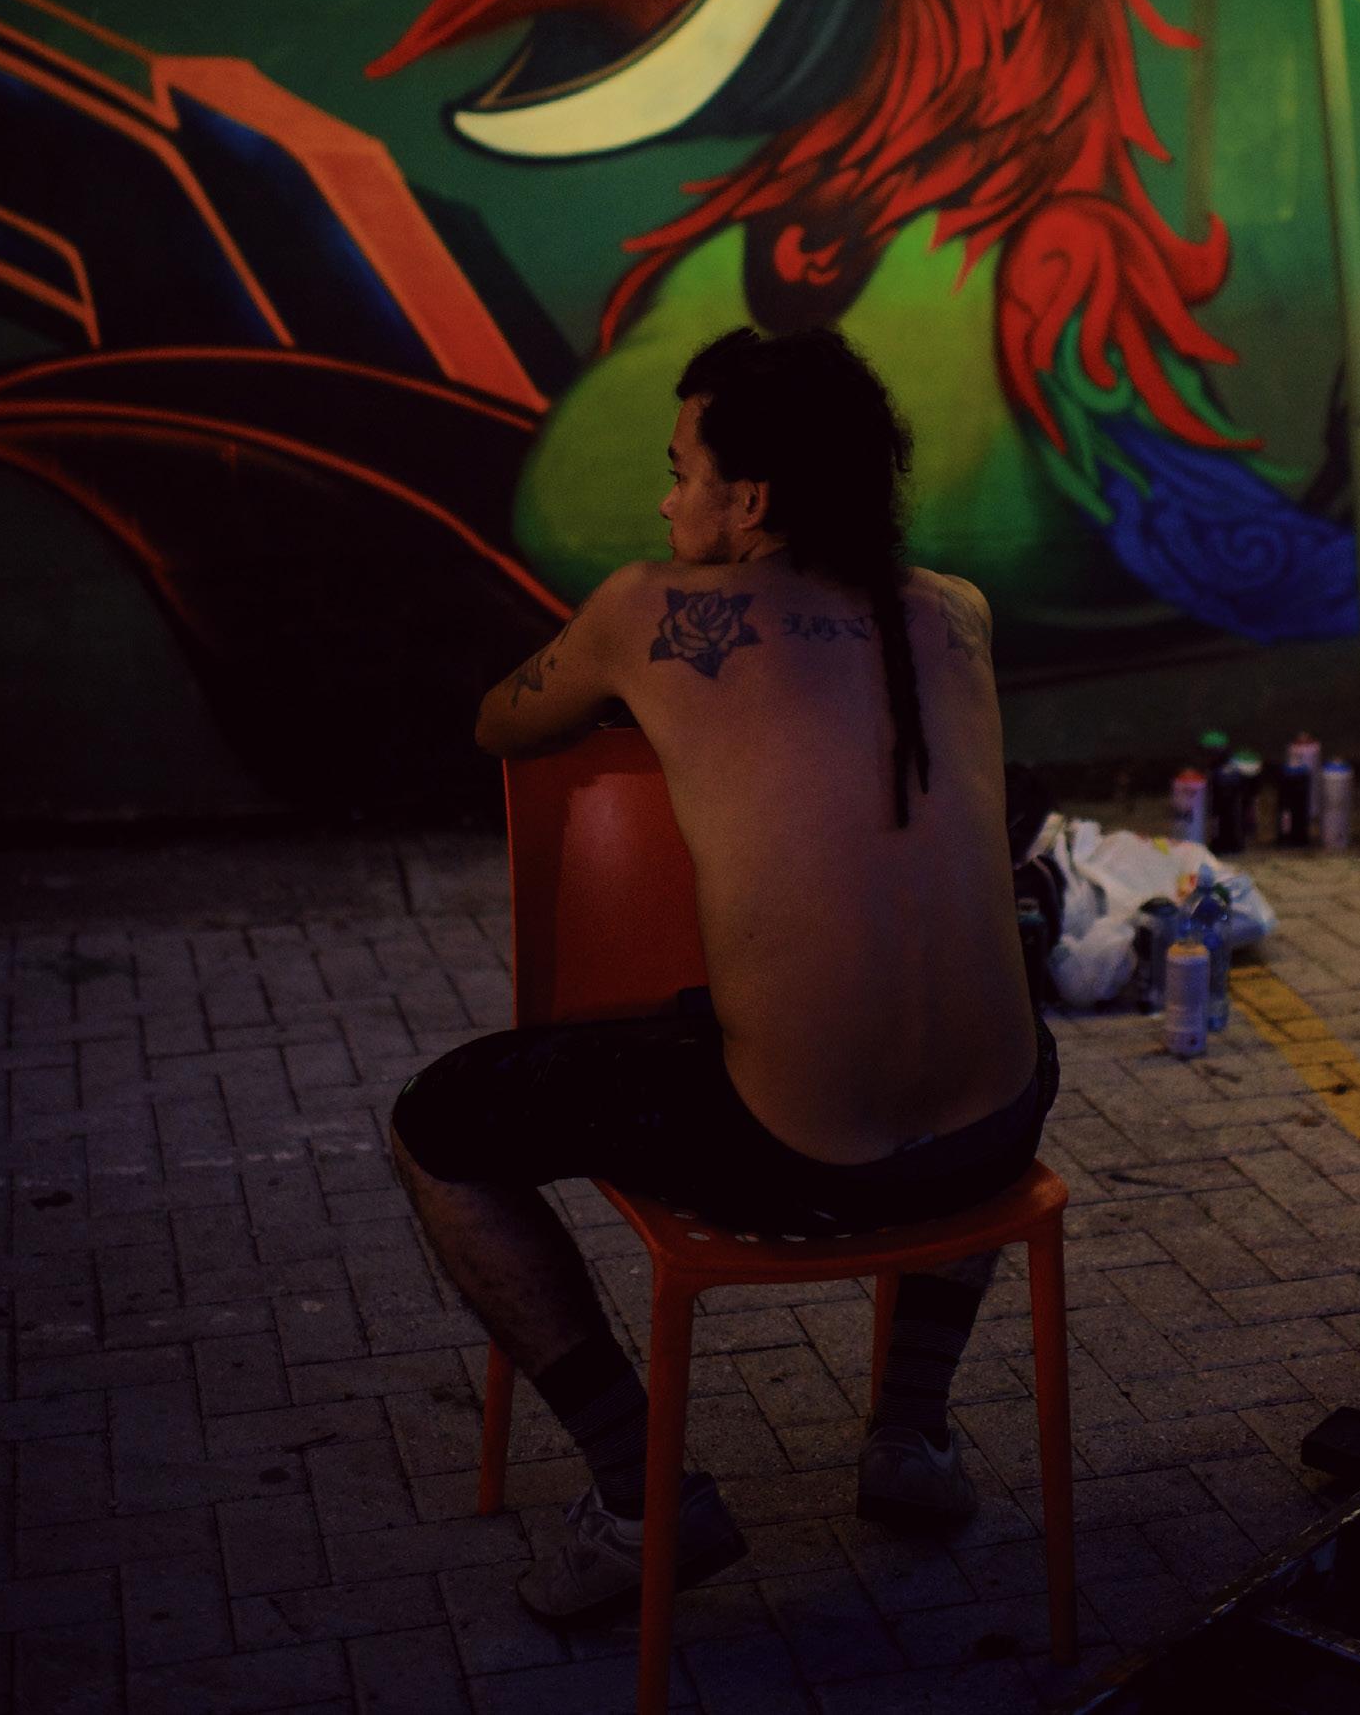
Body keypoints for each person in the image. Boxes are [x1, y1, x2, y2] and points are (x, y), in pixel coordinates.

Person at [390, 325, 1057, 1625]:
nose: (666, 501)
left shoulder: (648, 611)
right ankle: (910, 1437)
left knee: (437, 1130)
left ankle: (641, 1499)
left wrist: (640, 697)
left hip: (801, 1158)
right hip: (995, 1136)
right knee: (999, 1031)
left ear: (747, 500)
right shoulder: (958, 614)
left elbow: (501, 722)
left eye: (678, 469)